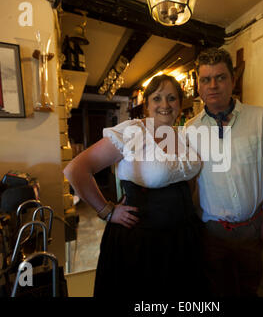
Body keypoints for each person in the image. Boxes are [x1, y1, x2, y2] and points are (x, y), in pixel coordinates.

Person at [63, 75, 205, 299]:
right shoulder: (133, 132)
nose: (165, 105)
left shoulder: (183, 135)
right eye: (157, 98)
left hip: (182, 238)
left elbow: (188, 181)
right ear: (147, 104)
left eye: (171, 98)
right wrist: (107, 211)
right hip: (143, 243)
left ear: (180, 102)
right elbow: (76, 170)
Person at [185, 47, 263, 297]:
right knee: (216, 290)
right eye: (205, 79)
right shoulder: (189, 130)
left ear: (233, 80)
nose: (213, 85)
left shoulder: (260, 119)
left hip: (253, 228)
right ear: (198, 86)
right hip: (211, 232)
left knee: (252, 288)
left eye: (220, 77)